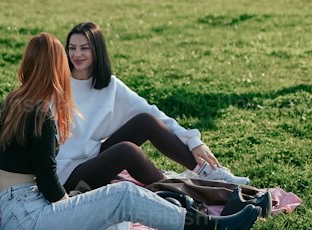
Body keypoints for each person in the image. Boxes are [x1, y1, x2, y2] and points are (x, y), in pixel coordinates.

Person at [0, 33, 259, 230]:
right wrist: (73, 207)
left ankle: (196, 208)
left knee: (114, 196)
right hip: (28, 216)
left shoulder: (15, 102)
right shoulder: (42, 114)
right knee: (124, 195)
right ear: (56, 67)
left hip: (14, 209)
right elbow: (47, 179)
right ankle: (213, 229)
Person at [60, 21, 250, 194]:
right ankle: (174, 187)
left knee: (146, 121)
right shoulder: (58, 86)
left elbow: (154, 114)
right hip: (66, 174)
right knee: (127, 151)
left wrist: (193, 141)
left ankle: (207, 172)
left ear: (97, 51)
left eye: (84, 48)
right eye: (72, 48)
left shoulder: (110, 86)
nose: (77, 54)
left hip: (93, 158)